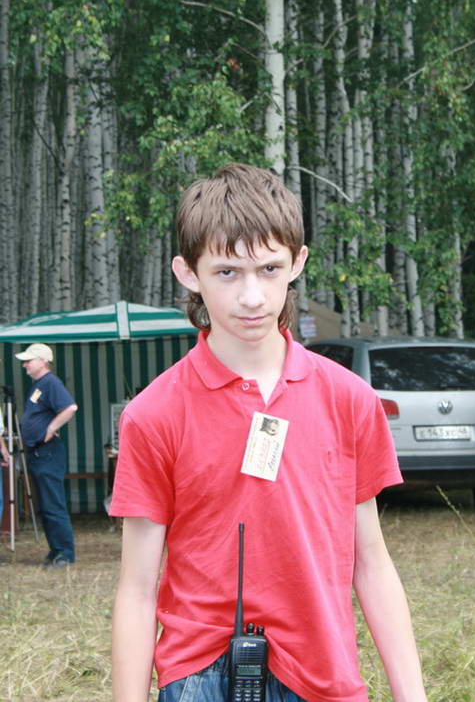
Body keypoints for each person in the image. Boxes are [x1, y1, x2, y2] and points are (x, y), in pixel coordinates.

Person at [111, 164, 428, 702]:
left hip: (323, 676)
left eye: (269, 269)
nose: (253, 296)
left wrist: (412, 695)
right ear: (188, 273)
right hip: (200, 679)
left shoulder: (350, 399)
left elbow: (372, 563)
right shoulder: (153, 414)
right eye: (227, 272)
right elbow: (137, 591)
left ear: (297, 263)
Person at [15, 342, 78, 567]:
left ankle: (65, 553)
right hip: (39, 452)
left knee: (53, 503)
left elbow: (70, 407)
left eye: (28, 361)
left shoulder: (50, 382)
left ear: (43, 362)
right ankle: (56, 550)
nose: (25, 365)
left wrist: (51, 428)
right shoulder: (40, 384)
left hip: (47, 451)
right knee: (46, 504)